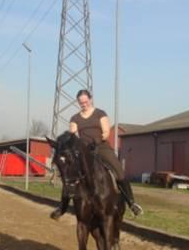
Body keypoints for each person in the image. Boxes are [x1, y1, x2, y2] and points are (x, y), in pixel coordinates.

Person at [50, 89, 143, 219]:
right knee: (70, 176)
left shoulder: (100, 114)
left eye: (85, 101)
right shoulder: (75, 118)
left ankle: (131, 203)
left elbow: (106, 132)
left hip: (101, 147)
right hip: (83, 151)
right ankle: (63, 207)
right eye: (81, 102)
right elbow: (72, 134)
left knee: (120, 174)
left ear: (90, 99)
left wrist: (96, 141)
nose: (84, 104)